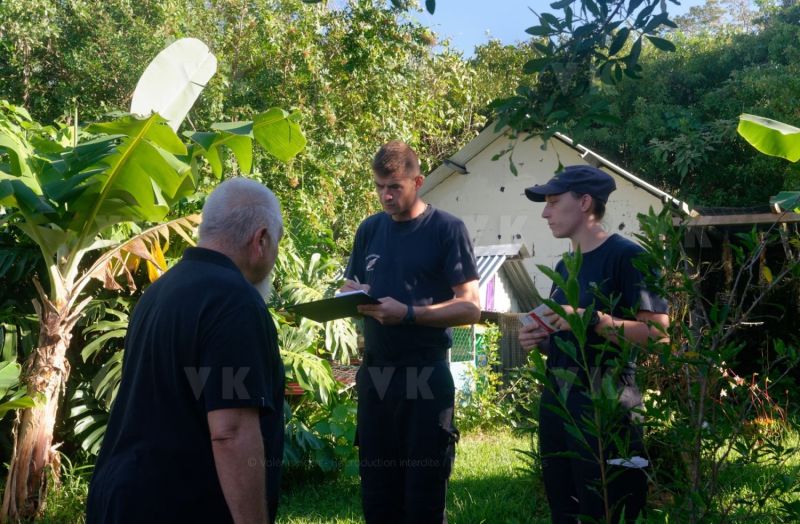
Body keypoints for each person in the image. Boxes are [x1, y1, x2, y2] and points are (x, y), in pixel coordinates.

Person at [87, 177, 285, 524]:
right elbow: (231, 431)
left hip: (121, 496)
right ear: (261, 240)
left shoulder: (162, 290)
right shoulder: (233, 302)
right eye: (277, 242)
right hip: (178, 505)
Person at [518, 165, 669, 523]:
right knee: (565, 509)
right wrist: (539, 338)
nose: (545, 212)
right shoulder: (565, 266)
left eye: (554, 202)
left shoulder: (629, 257)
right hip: (560, 399)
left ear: (585, 202)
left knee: (610, 510)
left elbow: (658, 337)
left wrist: (591, 318)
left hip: (609, 401)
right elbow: (572, 335)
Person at [340, 140, 481, 523]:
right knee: (377, 492)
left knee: (423, 492)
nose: (386, 195)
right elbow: (351, 284)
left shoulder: (447, 229)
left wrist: (408, 314)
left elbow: (470, 305)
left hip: (424, 373)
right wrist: (346, 296)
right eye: (380, 187)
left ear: (418, 181)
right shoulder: (369, 230)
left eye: (395, 187)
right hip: (377, 375)